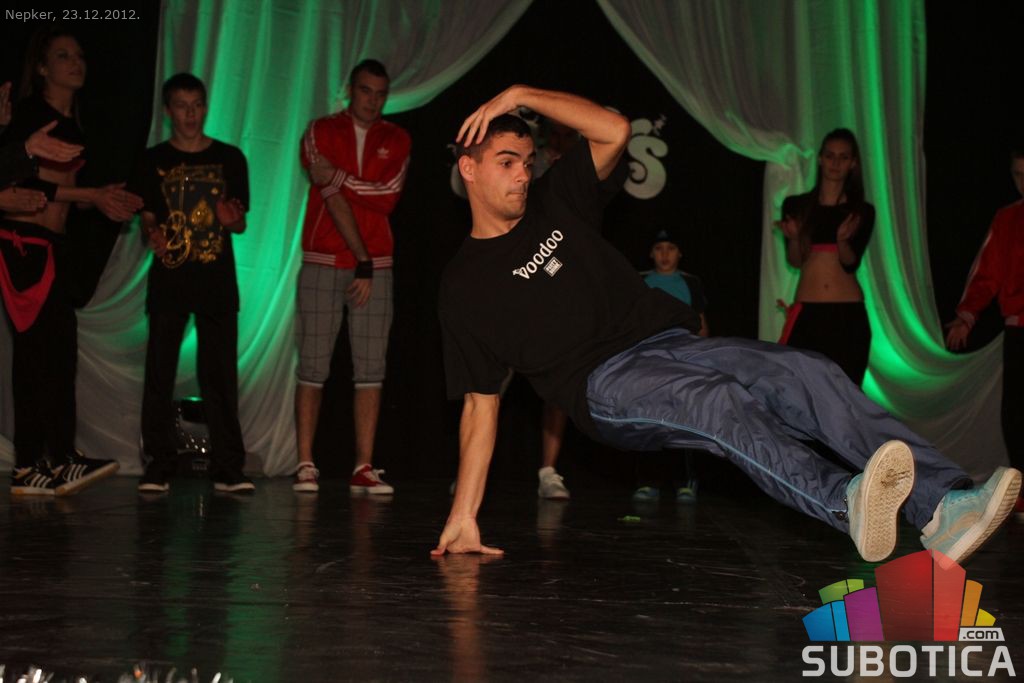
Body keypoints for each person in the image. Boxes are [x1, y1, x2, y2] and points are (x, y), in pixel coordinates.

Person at [431, 85, 1021, 566]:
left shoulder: (556, 199)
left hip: (667, 340)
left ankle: (946, 507)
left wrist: (520, 94)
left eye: (526, 162)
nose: (522, 175)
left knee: (803, 370)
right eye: (506, 163)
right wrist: (463, 516)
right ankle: (845, 503)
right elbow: (481, 403)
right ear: (469, 168)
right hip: (603, 385)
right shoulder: (465, 287)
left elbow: (613, 128)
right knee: (717, 402)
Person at [2, 27, 140, 496]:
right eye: (63, 55)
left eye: (79, 54)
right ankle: (28, 464)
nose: (75, 62)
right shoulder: (29, 116)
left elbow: (65, 196)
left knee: (60, 353)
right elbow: (25, 185)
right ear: (42, 68)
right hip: (24, 243)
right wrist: (91, 195)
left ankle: (59, 456)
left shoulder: (72, 125)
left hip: (52, 243)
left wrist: (105, 199)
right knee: (35, 355)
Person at [292, 59, 410, 494]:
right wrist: (361, 256)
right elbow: (328, 191)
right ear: (350, 89)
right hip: (324, 258)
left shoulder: (397, 138)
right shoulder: (320, 130)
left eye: (380, 94)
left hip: (376, 266)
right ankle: (305, 463)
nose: (372, 100)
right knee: (312, 365)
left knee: (371, 368)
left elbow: (388, 197)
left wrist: (341, 176)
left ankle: (364, 465)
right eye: (365, 91)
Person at [133, 73, 253, 494]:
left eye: (197, 104)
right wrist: (153, 235)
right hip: (170, 279)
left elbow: (239, 222)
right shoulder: (152, 160)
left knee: (220, 376)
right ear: (168, 111)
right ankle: (159, 464)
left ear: (205, 107)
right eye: (182, 105)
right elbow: (148, 218)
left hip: (216, 281)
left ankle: (228, 467)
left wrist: (231, 220)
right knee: (159, 373)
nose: (190, 113)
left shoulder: (230, 158)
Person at [946, 146, 1024, 519]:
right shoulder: (1007, 219)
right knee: (1016, 413)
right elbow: (986, 274)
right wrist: (967, 315)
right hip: (1019, 329)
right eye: (1019, 175)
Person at [777, 129, 875, 385]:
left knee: (845, 395)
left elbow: (850, 263)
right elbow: (795, 261)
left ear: (853, 163)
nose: (835, 163)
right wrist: (795, 238)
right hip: (808, 313)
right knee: (800, 391)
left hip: (847, 316)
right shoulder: (796, 205)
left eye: (843, 157)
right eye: (830, 156)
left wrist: (842, 241)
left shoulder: (861, 211)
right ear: (820, 158)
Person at [632, 228, 708, 504]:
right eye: (659, 249)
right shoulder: (640, 280)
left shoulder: (690, 282)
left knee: (681, 421)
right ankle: (648, 481)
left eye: (671, 248)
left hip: (681, 360)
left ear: (680, 253)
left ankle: (685, 481)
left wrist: (702, 359)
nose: (665, 255)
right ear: (651, 254)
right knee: (647, 421)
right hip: (647, 360)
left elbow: (701, 323)